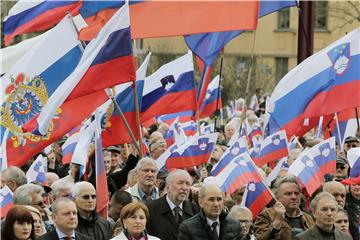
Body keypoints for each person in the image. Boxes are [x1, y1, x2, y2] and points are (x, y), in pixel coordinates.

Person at [146, 169, 199, 240]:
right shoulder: (150, 209)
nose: (185, 188)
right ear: (168, 187)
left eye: (188, 184)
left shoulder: (196, 210)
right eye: (180, 183)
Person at [178, 183, 242, 240]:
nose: (216, 204)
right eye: (211, 199)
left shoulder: (235, 225)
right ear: (201, 202)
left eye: (219, 199)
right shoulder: (187, 228)